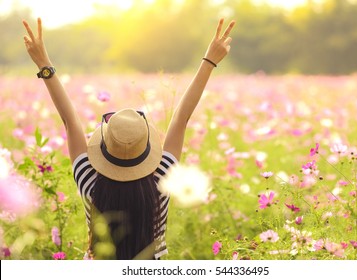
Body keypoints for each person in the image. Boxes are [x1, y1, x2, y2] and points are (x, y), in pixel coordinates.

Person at [22, 17, 235, 260]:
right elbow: (181, 118)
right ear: (145, 149)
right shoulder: (161, 183)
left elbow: (70, 122)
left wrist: (43, 63)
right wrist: (209, 61)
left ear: (104, 149)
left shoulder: (90, 183)